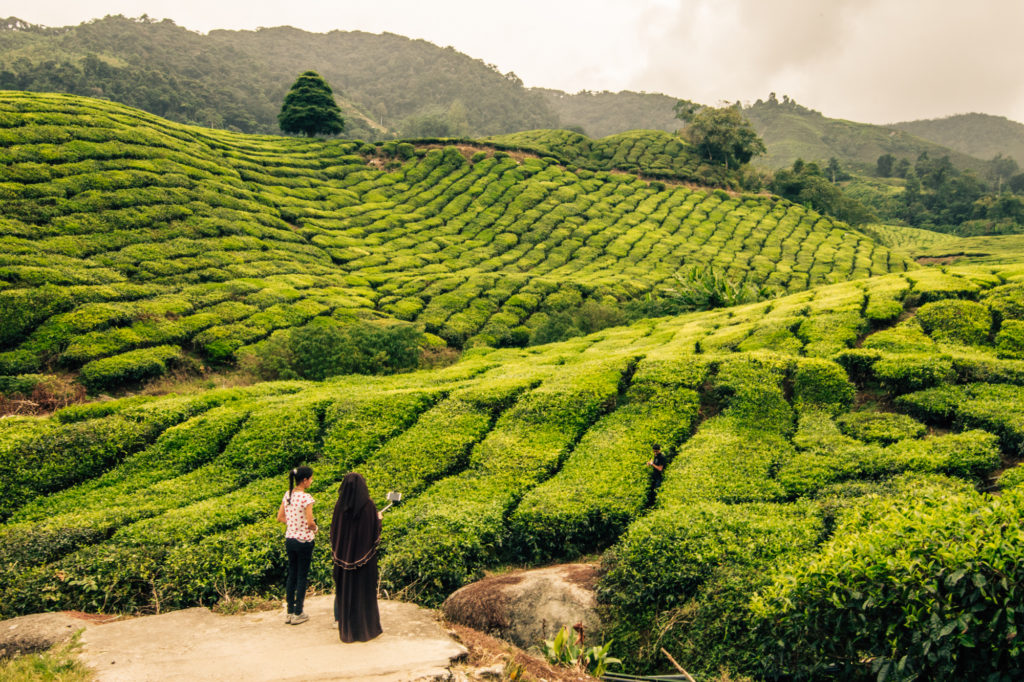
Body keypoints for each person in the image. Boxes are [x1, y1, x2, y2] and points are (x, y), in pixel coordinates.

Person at [329, 472, 383, 643]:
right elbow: (373, 533)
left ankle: (348, 632)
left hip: (343, 562)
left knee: (345, 595)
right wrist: (378, 520)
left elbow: (334, 532)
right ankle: (367, 631)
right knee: (364, 594)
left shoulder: (340, 505)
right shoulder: (368, 506)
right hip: (365, 564)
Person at [276, 465, 317, 625]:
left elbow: (280, 517)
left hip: (290, 539)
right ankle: (298, 612)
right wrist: (315, 528)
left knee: (292, 575)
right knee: (302, 576)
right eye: (311, 479)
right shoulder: (307, 498)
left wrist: (293, 523)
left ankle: (289, 612)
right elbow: (310, 522)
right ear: (305, 480)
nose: (312, 481)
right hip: (304, 541)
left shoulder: (288, 495)